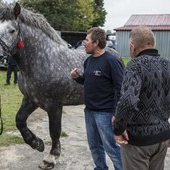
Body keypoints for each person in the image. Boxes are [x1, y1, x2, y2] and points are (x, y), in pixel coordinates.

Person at [113, 26, 170, 170]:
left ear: (132, 46)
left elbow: (128, 101)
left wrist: (118, 129)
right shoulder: (167, 64)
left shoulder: (135, 65)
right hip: (162, 137)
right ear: (152, 43)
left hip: (138, 141)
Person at [70, 27, 124, 170]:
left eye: (87, 40)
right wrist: (78, 78)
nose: (84, 43)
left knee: (111, 148)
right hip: (89, 112)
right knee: (94, 146)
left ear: (96, 42)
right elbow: (88, 81)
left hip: (105, 114)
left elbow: (120, 89)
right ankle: (100, 168)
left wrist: (116, 113)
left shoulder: (111, 61)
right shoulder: (88, 61)